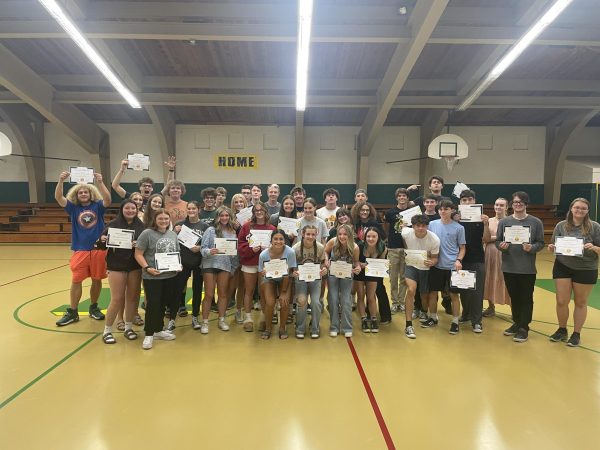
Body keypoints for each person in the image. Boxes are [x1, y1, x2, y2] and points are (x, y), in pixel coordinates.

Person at [54, 171, 111, 326]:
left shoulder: (97, 206)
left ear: (91, 193)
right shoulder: (73, 208)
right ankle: (73, 311)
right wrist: (61, 180)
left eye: (86, 191)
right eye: (80, 192)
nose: (84, 194)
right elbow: (59, 198)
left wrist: (100, 182)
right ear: (76, 195)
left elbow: (108, 199)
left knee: (97, 279)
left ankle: (93, 307)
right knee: (76, 280)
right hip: (80, 249)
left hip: (99, 249)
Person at [548, 198, 600, 347]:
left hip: (586, 268)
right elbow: (553, 244)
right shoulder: (561, 225)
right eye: (577, 207)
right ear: (571, 209)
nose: (579, 210)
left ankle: (576, 333)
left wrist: (595, 248)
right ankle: (562, 329)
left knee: (580, 302)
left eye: (583, 208)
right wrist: (552, 247)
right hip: (563, 266)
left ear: (587, 211)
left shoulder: (595, 227)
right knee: (561, 301)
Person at [496, 191, 545, 343]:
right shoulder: (504, 222)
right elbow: (498, 241)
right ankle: (517, 322)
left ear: (526, 204)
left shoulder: (536, 222)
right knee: (514, 297)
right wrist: (502, 246)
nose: (518, 205)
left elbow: (541, 243)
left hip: (527, 268)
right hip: (509, 267)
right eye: (515, 202)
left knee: (526, 298)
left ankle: (524, 327)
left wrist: (533, 247)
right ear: (512, 204)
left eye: (521, 202)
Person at [98, 199, 145, 343]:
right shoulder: (112, 224)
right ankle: (107, 330)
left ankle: (128, 327)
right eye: (127, 208)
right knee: (117, 298)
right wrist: (102, 239)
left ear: (137, 210)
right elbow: (101, 246)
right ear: (122, 210)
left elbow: (146, 247)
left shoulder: (142, 226)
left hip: (134, 267)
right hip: (116, 266)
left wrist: (139, 244)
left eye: (133, 208)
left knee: (132, 298)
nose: (130, 211)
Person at [134, 209, 180, 350]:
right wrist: (147, 268)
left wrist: (178, 265)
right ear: (155, 220)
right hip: (152, 276)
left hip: (170, 275)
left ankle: (158, 330)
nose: (164, 221)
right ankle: (149, 334)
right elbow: (138, 254)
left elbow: (175, 253)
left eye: (166, 219)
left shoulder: (172, 234)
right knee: (153, 304)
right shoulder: (147, 233)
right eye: (160, 219)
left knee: (163, 304)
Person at [423, 199, 466, 334]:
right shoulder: (431, 224)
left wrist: (459, 260)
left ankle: (455, 321)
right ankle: (433, 317)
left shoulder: (459, 227)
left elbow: (462, 248)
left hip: (452, 266)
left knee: (454, 295)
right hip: (436, 266)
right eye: (441, 209)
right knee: (433, 293)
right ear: (438, 210)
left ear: (451, 210)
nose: (443, 211)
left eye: (446, 209)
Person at [199, 206, 239, 334]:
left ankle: (222, 319)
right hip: (210, 265)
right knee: (209, 295)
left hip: (225, 266)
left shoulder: (232, 232)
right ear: (217, 217)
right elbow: (202, 249)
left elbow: (234, 253)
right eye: (222, 215)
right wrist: (209, 251)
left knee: (223, 294)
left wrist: (233, 266)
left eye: (227, 215)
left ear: (230, 217)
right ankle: (205, 322)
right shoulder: (210, 230)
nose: (224, 218)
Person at [237, 202, 275, 332]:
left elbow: (278, 247)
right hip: (250, 262)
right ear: (253, 212)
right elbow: (240, 245)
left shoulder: (272, 228)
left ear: (265, 212)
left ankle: (265, 318)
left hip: (265, 265)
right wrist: (251, 250)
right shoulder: (247, 227)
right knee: (249, 290)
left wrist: (269, 249)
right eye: (256, 210)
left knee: (264, 291)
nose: (259, 212)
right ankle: (248, 318)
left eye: (261, 210)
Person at [456, 189, 490, 333]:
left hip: (477, 258)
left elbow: (487, 240)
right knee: (463, 288)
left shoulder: (482, 219)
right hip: (460, 260)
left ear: (475, 201)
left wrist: (487, 224)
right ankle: (466, 314)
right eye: (464, 200)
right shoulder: (456, 219)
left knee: (477, 291)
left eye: (470, 199)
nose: (467, 202)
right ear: (460, 202)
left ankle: (477, 321)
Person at [401, 214, 440, 339]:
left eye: (423, 226)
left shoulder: (434, 239)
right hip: (411, 266)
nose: (420, 228)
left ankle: (423, 312)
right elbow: (402, 233)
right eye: (418, 226)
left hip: (425, 268)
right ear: (413, 226)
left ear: (427, 226)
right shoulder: (406, 233)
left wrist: (432, 262)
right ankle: (408, 325)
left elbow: (435, 258)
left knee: (424, 294)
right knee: (411, 290)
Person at [173, 201, 208, 330]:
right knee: (178, 289)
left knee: (198, 290)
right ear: (186, 210)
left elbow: (208, 244)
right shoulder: (179, 225)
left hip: (198, 262)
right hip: (183, 262)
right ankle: (172, 318)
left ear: (199, 210)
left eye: (194, 208)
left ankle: (195, 316)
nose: (192, 211)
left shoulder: (205, 226)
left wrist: (200, 248)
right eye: (189, 208)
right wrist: (175, 231)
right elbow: (171, 241)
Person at [258, 230, 297, 339]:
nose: (278, 241)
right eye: (275, 239)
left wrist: (283, 293)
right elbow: (261, 274)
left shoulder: (290, 252)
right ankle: (268, 328)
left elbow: (289, 274)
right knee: (270, 303)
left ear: (285, 241)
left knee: (284, 302)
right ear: (271, 241)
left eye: (281, 239)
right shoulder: (263, 255)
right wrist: (263, 273)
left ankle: (282, 328)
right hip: (269, 279)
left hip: (285, 278)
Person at [324, 224, 361, 337]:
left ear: (349, 235)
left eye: (345, 234)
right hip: (333, 274)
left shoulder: (354, 247)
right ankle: (334, 326)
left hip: (347, 274)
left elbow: (356, 262)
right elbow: (325, 252)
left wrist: (358, 267)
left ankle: (347, 327)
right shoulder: (332, 241)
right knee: (333, 299)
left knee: (346, 300)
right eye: (340, 234)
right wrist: (326, 260)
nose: (342, 236)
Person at [293, 225, 327, 338]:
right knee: (302, 301)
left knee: (316, 302)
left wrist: (324, 270)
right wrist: (293, 272)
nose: (310, 236)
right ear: (303, 234)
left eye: (313, 234)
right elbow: (291, 267)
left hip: (315, 279)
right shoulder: (295, 248)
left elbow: (323, 264)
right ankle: (300, 327)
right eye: (308, 234)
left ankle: (315, 328)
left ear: (316, 234)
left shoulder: (320, 247)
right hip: (301, 279)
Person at [354, 227, 387, 333]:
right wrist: (359, 264)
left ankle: (373, 319)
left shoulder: (382, 247)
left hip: (372, 273)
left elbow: (382, 263)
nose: (371, 239)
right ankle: (363, 319)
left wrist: (384, 267)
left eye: (373, 236)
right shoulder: (359, 246)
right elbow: (355, 261)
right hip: (360, 273)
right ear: (365, 237)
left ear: (378, 237)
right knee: (360, 296)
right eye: (368, 236)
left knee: (371, 296)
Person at [384, 187, 411, 314]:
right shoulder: (390, 213)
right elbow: (387, 229)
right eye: (400, 196)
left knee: (405, 277)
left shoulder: (412, 212)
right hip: (393, 248)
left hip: (408, 248)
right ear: (396, 198)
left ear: (407, 198)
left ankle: (402, 302)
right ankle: (394, 302)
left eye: (404, 195)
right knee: (393, 277)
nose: (402, 197)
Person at [483, 197, 511, 317]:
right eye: (496, 204)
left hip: (506, 254)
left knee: (507, 280)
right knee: (489, 278)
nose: (498, 207)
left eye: (501, 205)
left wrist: (493, 238)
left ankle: (514, 309)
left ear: (506, 207)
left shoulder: (511, 221)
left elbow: (512, 238)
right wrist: (496, 238)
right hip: (490, 254)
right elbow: (485, 239)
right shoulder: (488, 220)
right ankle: (491, 307)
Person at [111, 155, 176, 207]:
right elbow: (115, 186)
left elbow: (168, 186)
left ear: (152, 189)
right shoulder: (132, 198)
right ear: (140, 188)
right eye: (144, 185)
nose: (147, 187)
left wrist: (171, 169)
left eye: (149, 186)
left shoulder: (156, 198)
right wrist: (122, 169)